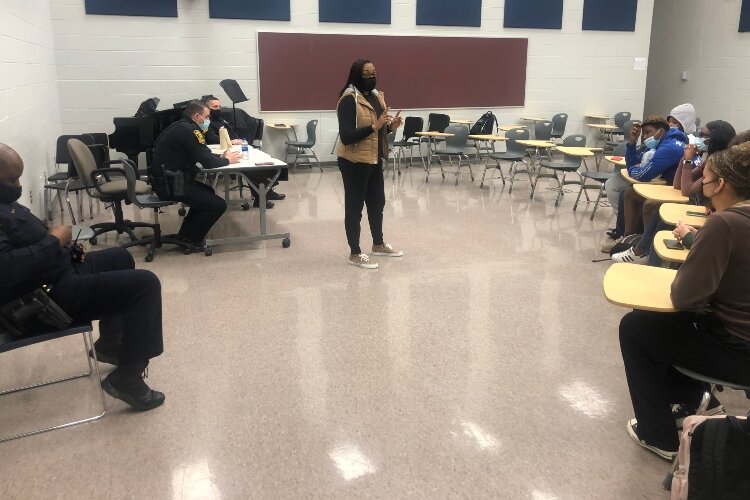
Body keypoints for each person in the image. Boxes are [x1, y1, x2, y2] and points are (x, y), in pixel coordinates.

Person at [0, 144, 165, 411]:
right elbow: (8, 270)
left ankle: (110, 344)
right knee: (145, 285)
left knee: (119, 258)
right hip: (41, 302)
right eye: (11, 179)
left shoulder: (5, 203)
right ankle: (128, 378)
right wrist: (54, 242)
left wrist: (67, 248)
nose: (18, 185)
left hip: (55, 276)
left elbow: (26, 242)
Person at [618, 142, 750, 460]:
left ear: (722, 184)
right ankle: (688, 402)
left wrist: (698, 244)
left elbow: (686, 295)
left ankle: (658, 434)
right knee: (669, 324)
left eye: (704, 178)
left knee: (636, 327)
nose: (701, 184)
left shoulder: (725, 224)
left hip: (739, 351)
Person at [612, 120, 735, 265]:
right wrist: (684, 158)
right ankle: (642, 249)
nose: (698, 137)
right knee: (653, 206)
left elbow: (686, 190)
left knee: (660, 211)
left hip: (706, 211)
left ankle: (648, 257)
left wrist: (688, 161)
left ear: (715, 139)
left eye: (703, 135)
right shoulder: (708, 159)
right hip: (703, 207)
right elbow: (678, 184)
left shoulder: (718, 165)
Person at [336, 59, 403, 269]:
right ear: (357, 75)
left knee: (377, 204)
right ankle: (355, 253)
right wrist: (374, 126)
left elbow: (378, 130)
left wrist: (390, 127)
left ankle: (378, 244)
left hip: (374, 159)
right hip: (354, 161)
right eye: (366, 74)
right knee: (355, 207)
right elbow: (346, 137)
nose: (372, 77)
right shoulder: (349, 100)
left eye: (374, 72)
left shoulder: (376, 97)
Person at [151, 100, 241, 249]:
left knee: (208, 192)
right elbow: (208, 163)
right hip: (172, 185)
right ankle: (192, 240)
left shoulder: (182, 127)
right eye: (206, 116)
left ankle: (186, 235)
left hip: (168, 180)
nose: (208, 120)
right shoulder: (191, 131)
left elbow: (202, 154)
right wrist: (227, 160)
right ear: (197, 116)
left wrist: (220, 158)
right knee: (218, 205)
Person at [200, 95, 285, 207]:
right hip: (221, 152)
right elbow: (210, 137)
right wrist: (231, 140)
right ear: (206, 108)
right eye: (215, 107)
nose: (219, 109)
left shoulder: (220, 119)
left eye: (219, 106)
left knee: (260, 161)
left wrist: (237, 139)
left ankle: (268, 192)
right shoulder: (206, 122)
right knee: (250, 168)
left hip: (233, 148)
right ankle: (261, 197)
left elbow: (231, 131)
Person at [601, 116, 669, 252]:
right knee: (614, 185)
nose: (644, 137)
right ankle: (626, 234)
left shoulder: (667, 148)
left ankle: (632, 238)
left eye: (648, 132)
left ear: (660, 132)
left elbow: (641, 173)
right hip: (648, 182)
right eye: (643, 133)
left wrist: (635, 169)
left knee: (627, 194)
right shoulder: (649, 147)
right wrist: (632, 142)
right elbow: (632, 163)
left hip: (661, 188)